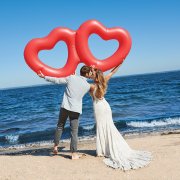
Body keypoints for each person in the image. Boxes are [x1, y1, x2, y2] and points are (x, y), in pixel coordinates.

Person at [88, 65, 152, 170]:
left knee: (101, 127)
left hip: (98, 107)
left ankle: (102, 150)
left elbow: (81, 84)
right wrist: (120, 64)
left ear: (94, 76)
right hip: (105, 106)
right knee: (109, 126)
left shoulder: (91, 86)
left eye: (92, 74)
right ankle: (106, 149)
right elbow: (112, 72)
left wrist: (79, 75)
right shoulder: (103, 81)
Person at [38, 66, 94, 160]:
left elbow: (57, 80)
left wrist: (44, 77)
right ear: (88, 74)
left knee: (60, 126)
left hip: (65, 107)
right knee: (74, 132)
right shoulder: (88, 86)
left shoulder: (71, 78)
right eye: (90, 73)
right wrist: (92, 73)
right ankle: (74, 153)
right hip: (75, 110)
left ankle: (55, 147)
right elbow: (88, 81)